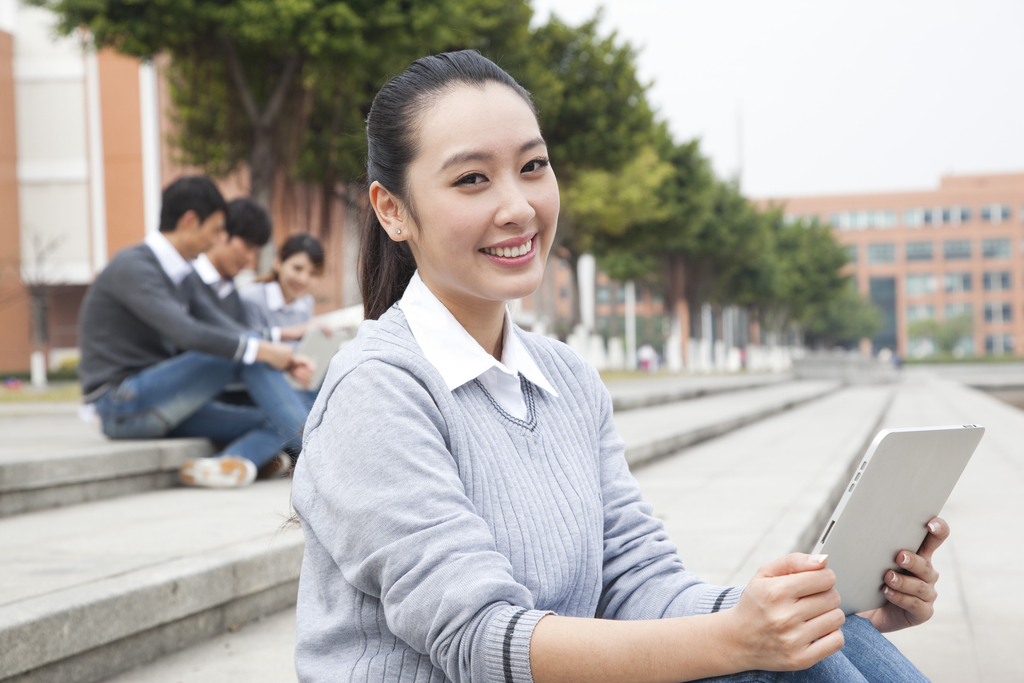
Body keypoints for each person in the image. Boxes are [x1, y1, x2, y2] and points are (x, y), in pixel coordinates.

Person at [291, 51, 944, 683]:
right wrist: (737, 637)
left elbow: (638, 582)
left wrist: (789, 612)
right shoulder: (375, 389)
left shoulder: (566, 378)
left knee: (831, 634)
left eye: (533, 166)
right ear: (392, 209)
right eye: (472, 178)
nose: (518, 206)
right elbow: (479, 639)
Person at [78, 175, 314, 488]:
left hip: (159, 402)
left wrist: (278, 355)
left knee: (274, 418)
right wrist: (263, 352)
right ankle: (317, 451)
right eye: (215, 229)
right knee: (245, 355)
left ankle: (227, 464)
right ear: (190, 221)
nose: (217, 239)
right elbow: (187, 333)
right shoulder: (134, 266)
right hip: (120, 404)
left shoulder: (182, 274)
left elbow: (224, 326)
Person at [192, 197, 272, 326]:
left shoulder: (233, 295)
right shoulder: (183, 278)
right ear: (221, 232)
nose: (250, 257)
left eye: (256, 252)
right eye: (248, 245)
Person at [240, 233, 326, 346]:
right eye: (297, 268)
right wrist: (293, 333)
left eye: (313, 273)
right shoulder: (251, 298)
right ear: (278, 263)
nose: (303, 279)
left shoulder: (306, 303)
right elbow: (247, 343)